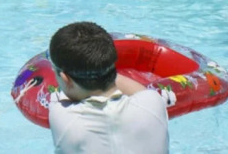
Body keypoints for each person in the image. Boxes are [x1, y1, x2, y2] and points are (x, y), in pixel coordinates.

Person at [48, 22, 169, 154]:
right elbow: (140, 92)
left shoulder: (61, 115)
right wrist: (103, 69)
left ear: (65, 78)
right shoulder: (153, 103)